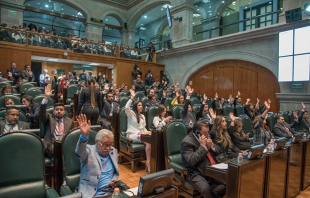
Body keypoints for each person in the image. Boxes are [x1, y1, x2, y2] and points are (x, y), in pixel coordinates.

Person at [75, 114, 120, 198]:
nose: (108, 148)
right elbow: (79, 152)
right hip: (92, 194)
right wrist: (84, 136)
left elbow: (115, 172)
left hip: (110, 192)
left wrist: (114, 181)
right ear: (96, 142)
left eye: (110, 144)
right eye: (105, 144)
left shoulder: (113, 151)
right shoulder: (88, 151)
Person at [181, 120, 226, 198]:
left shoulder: (207, 135)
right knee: (206, 189)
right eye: (205, 133)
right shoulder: (187, 142)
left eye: (208, 132)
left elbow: (220, 152)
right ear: (197, 132)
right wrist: (202, 147)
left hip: (212, 169)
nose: (208, 134)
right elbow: (192, 161)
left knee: (229, 182)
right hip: (196, 173)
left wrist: (212, 146)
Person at [39, 85, 74, 152]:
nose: (59, 111)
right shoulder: (49, 118)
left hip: (65, 146)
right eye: (57, 109)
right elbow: (41, 114)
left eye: (61, 110)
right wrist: (46, 98)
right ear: (53, 111)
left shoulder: (70, 121)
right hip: (51, 146)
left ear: (64, 112)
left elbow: (71, 136)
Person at [125, 89, 151, 172]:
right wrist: (132, 98)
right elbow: (126, 108)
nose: (141, 106)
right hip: (132, 134)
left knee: (152, 138)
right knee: (148, 141)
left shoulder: (142, 116)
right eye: (139, 105)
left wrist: (148, 132)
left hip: (141, 134)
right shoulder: (131, 114)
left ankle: (151, 162)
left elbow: (144, 128)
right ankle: (148, 162)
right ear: (136, 106)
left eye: (141, 105)